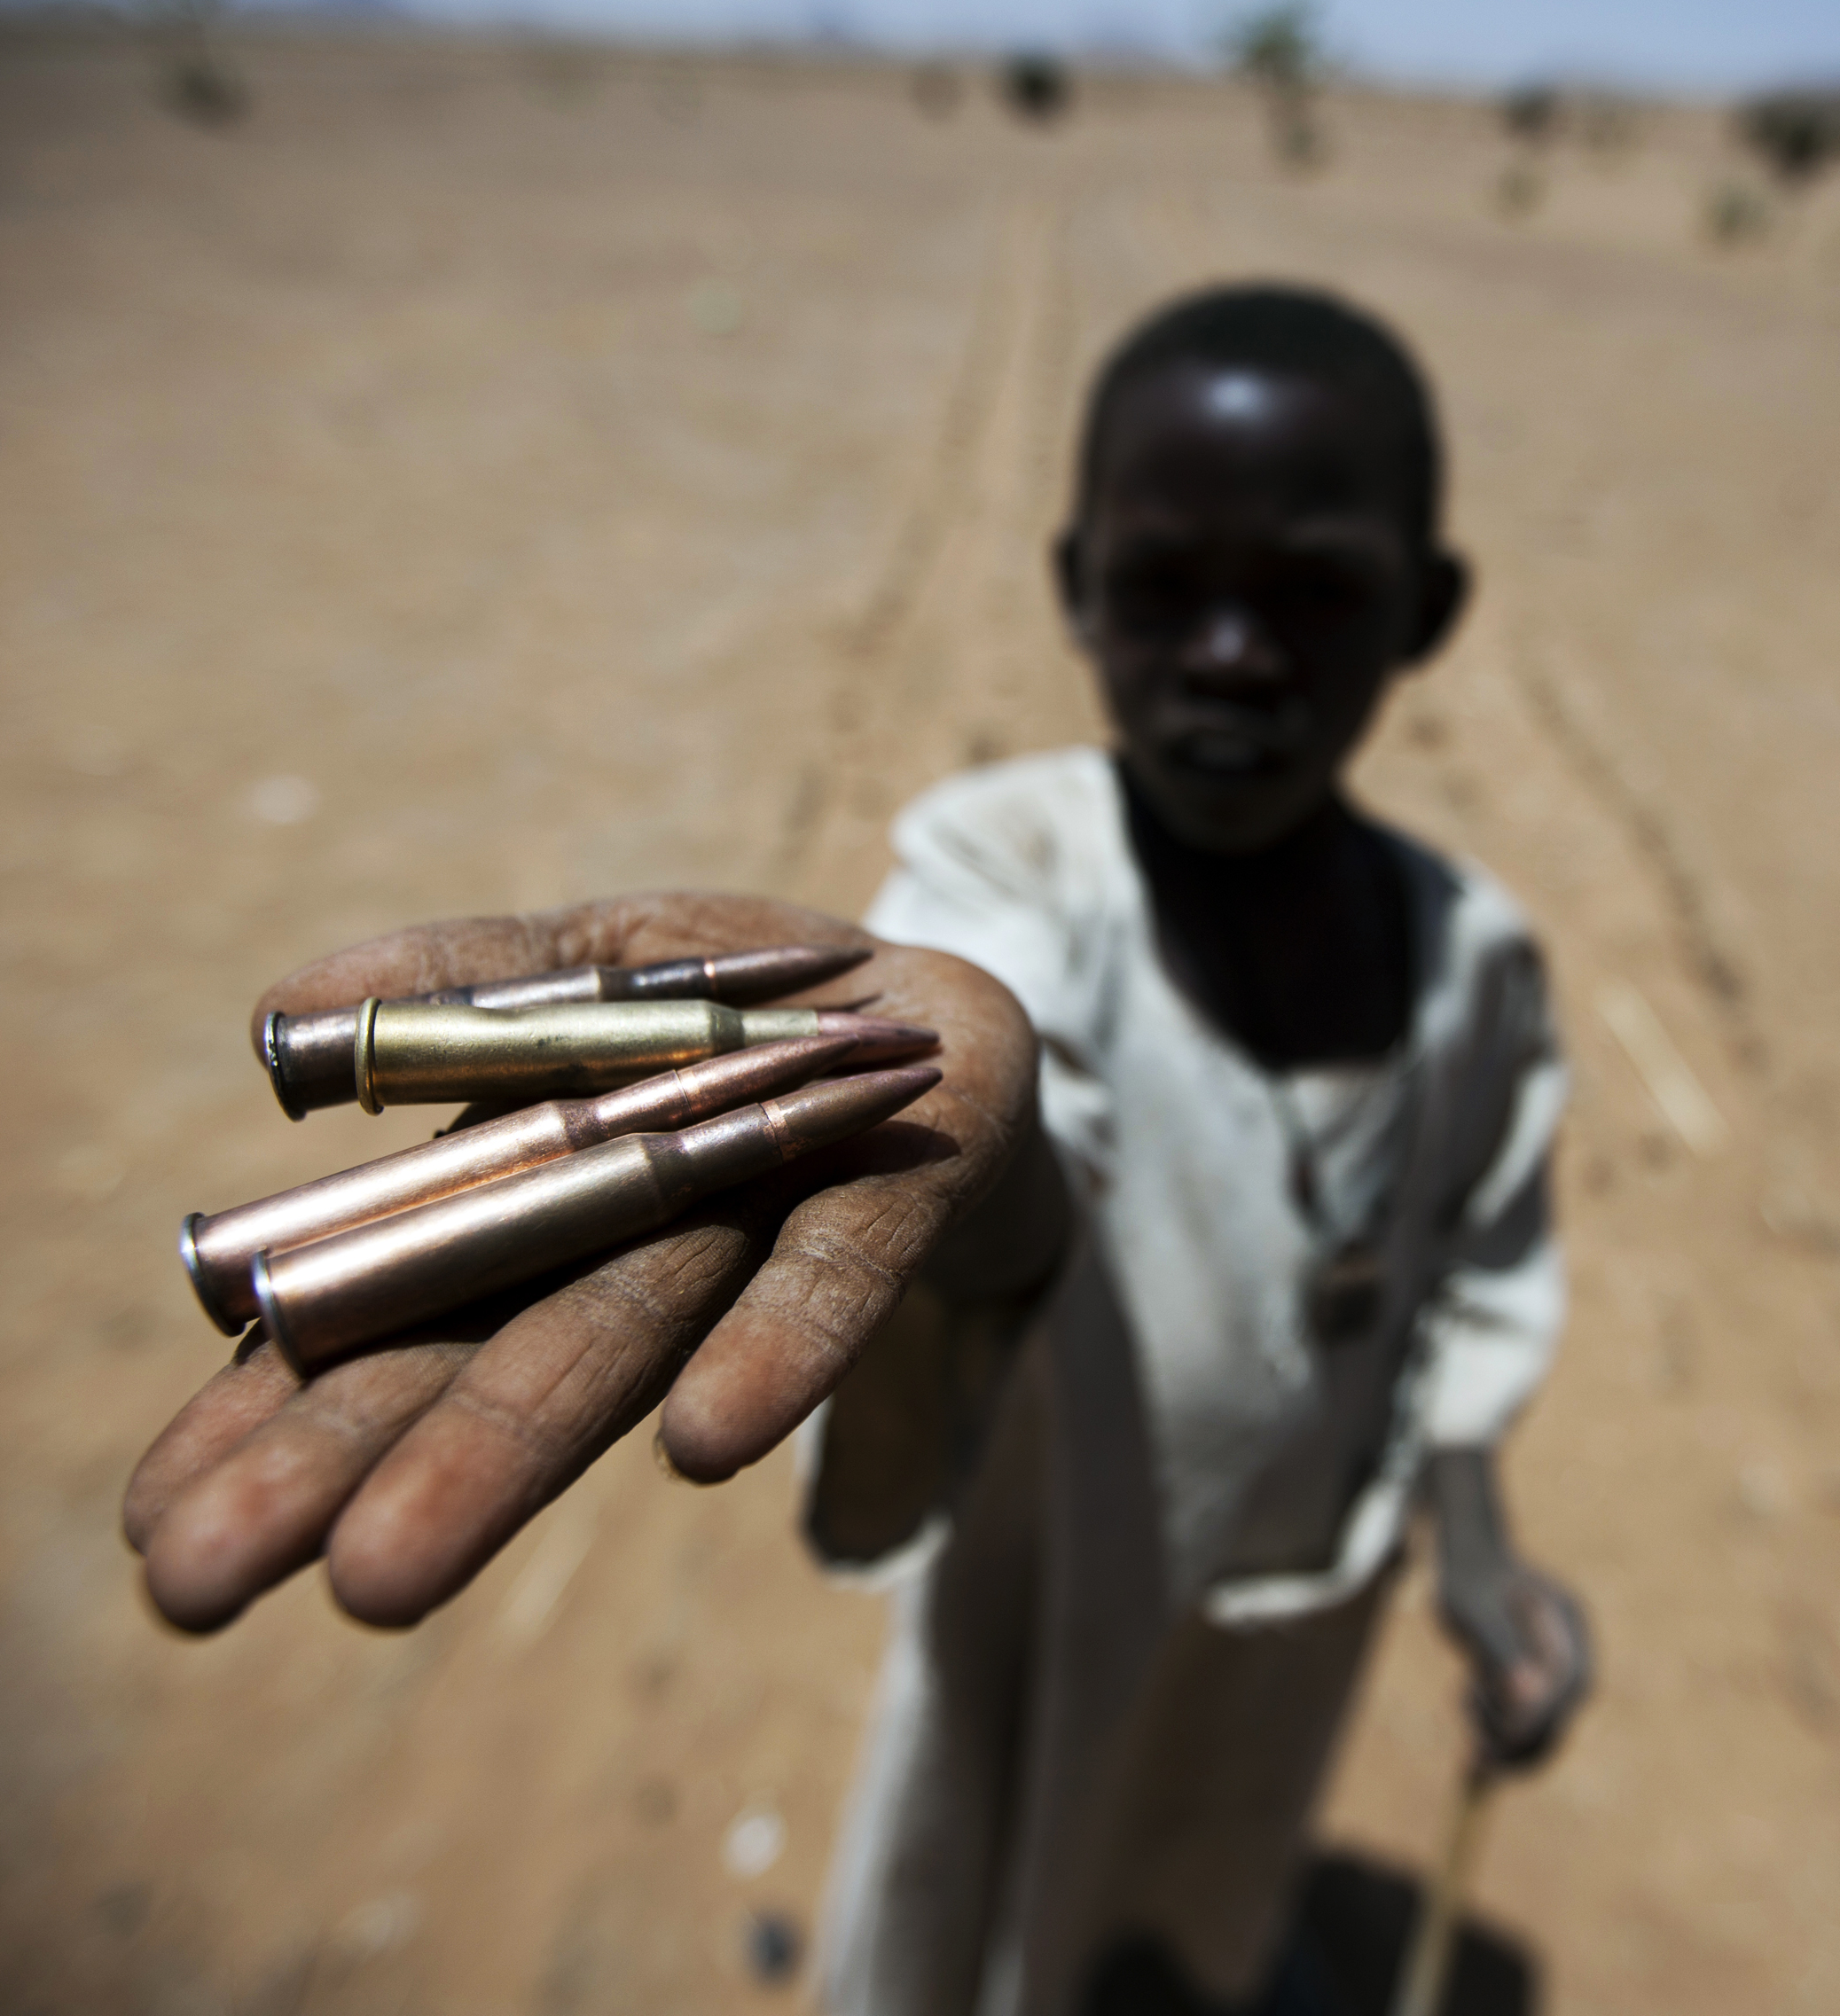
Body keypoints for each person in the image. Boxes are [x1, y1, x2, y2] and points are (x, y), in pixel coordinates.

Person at [120, 284, 1587, 2013]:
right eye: (1165, 586)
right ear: (1075, 592)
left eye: (1312, 594)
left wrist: (1480, 1567)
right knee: (976, 1919)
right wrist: (974, 1138)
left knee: (1204, 1892)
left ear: (1428, 611)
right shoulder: (1007, 868)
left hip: (1299, 1627)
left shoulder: (1473, 954)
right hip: (1048, 1606)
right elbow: (995, 1103)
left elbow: (1471, 1297)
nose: (1233, 653)